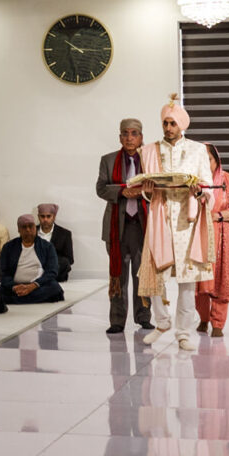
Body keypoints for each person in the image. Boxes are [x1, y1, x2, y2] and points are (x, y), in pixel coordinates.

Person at [133, 94, 214, 351]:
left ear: (182, 125)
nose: (168, 128)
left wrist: (200, 192)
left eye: (173, 123)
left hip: (187, 221)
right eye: (165, 123)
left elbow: (208, 187)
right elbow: (147, 190)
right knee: (155, 275)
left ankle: (183, 333)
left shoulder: (198, 150)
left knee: (187, 281)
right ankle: (162, 323)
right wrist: (147, 191)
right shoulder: (149, 151)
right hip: (160, 218)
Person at [96, 118, 151, 334]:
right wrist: (122, 191)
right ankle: (117, 321)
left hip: (142, 225)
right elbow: (101, 188)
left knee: (142, 274)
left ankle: (144, 317)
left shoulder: (150, 160)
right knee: (118, 274)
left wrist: (144, 192)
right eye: (125, 134)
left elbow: (160, 189)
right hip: (117, 226)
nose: (129, 138)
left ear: (141, 137)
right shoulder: (108, 160)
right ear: (120, 137)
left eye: (134, 133)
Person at [196, 143, 229, 337]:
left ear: (216, 161)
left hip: (224, 237)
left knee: (221, 280)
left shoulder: (226, 179)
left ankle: (218, 323)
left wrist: (218, 216)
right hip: (200, 235)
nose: (204, 163)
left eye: (208, 159)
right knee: (200, 281)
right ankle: (203, 318)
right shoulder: (193, 182)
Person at [0, 214, 64, 304]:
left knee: (54, 288)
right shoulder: (8, 247)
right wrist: (14, 287)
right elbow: (2, 272)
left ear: (35, 227)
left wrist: (33, 286)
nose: (28, 230)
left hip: (38, 285)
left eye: (30, 226)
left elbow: (52, 271)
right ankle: (27, 297)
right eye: (24, 227)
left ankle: (17, 299)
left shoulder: (47, 246)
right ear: (19, 229)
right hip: (15, 286)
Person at [34, 204, 75, 283]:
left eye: (48, 216)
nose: (45, 219)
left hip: (55, 269)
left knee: (64, 262)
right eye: (42, 216)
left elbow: (70, 259)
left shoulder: (65, 233)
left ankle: (44, 278)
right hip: (34, 267)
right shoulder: (30, 231)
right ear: (38, 217)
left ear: (54, 217)